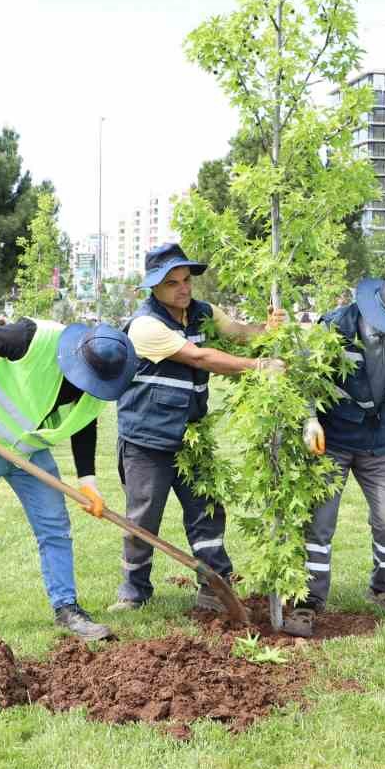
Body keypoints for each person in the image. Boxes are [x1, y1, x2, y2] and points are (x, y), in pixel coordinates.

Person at [0, 318, 139, 642]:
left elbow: (83, 423)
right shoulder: (32, 338)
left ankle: (67, 610)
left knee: (55, 529)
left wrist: (88, 481)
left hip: (30, 453)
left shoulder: (105, 374)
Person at [109, 242, 285, 614]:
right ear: (153, 288)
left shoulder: (203, 312)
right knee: (143, 517)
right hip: (147, 437)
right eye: (172, 283)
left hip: (192, 435)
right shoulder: (145, 325)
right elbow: (199, 357)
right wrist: (257, 368)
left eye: (186, 280)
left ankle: (215, 586)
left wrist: (268, 330)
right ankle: (133, 591)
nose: (183, 288)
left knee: (206, 510)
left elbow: (238, 332)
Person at [284, 273, 385, 638]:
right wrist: (309, 420)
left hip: (381, 440)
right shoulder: (334, 326)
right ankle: (309, 600)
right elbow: (305, 378)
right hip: (332, 438)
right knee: (320, 523)